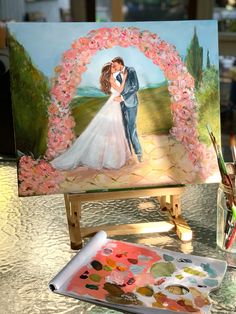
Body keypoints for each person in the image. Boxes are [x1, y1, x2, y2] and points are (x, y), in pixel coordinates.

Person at [50, 62, 131, 170]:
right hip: (113, 103)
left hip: (114, 102)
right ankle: (108, 158)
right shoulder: (111, 78)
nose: (114, 68)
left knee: (113, 128)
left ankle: (112, 156)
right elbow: (120, 90)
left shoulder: (113, 76)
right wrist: (125, 78)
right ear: (109, 70)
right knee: (110, 128)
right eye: (112, 67)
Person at [111, 57, 142, 162]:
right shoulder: (117, 75)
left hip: (131, 103)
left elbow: (136, 86)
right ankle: (129, 154)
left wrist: (123, 97)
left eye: (115, 65)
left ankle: (138, 153)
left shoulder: (131, 70)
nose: (114, 67)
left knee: (131, 128)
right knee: (124, 130)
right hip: (120, 105)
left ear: (120, 63)